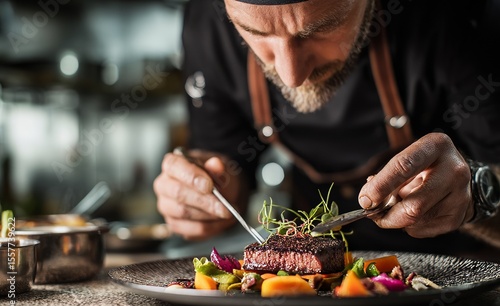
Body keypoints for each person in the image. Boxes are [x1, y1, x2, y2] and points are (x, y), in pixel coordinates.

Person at [154, 0, 500, 256]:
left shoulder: (459, 16)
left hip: (463, 276)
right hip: (309, 288)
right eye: (256, 33)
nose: (293, 76)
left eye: (318, 30)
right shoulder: (207, 22)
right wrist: (206, 195)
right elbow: (227, 169)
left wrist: (479, 195)